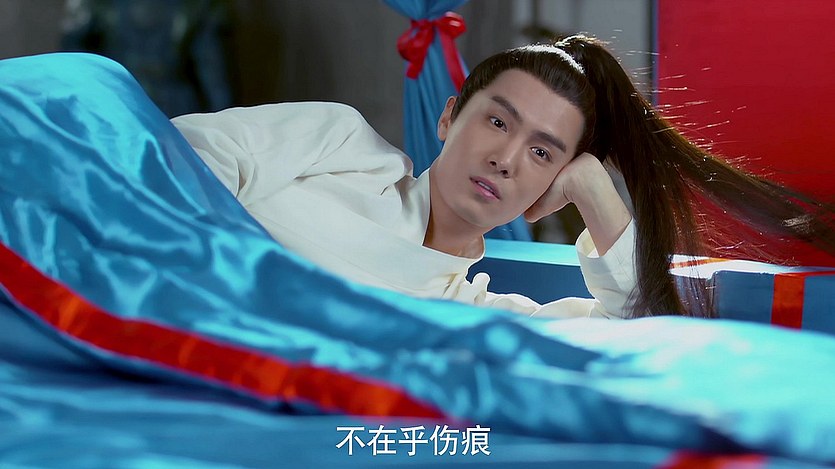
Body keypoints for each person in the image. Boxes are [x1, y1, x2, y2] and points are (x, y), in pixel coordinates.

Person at [172, 35, 835, 319]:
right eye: (497, 122)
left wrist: (594, 191)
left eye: (543, 154)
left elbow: (648, 340)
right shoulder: (340, 146)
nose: (507, 158)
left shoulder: (479, 315)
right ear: (448, 117)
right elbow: (169, 158)